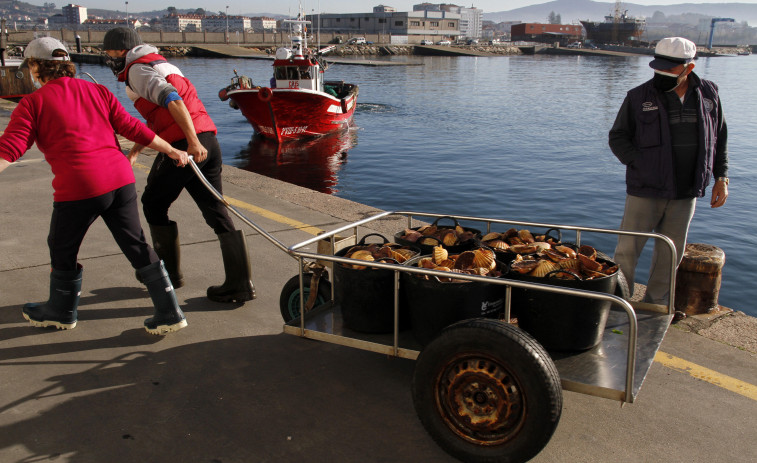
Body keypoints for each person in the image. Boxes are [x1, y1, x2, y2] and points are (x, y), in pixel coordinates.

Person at [0, 37, 190, 334]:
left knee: (61, 247)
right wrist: (172, 150)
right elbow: (132, 127)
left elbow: (10, 148)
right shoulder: (97, 90)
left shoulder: (33, 103)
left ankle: (61, 310)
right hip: (120, 179)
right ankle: (170, 312)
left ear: (36, 67)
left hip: (80, 186)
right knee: (136, 244)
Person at [102, 27, 255, 303]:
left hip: (186, 145)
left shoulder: (137, 70)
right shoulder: (161, 63)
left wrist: (191, 142)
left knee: (153, 203)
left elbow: (172, 100)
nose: (107, 57)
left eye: (109, 52)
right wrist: (137, 148)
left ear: (120, 50)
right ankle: (240, 283)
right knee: (214, 209)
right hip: (209, 139)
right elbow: (158, 117)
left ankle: (168, 276)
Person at [609, 37, 729, 304]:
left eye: (669, 69)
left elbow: (719, 138)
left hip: (686, 190)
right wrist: (641, 164)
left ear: (689, 68)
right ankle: (618, 304)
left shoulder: (710, 94)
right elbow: (618, 137)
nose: (661, 74)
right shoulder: (638, 97)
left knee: (670, 254)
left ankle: (656, 306)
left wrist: (721, 177)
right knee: (627, 250)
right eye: (657, 67)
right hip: (645, 188)